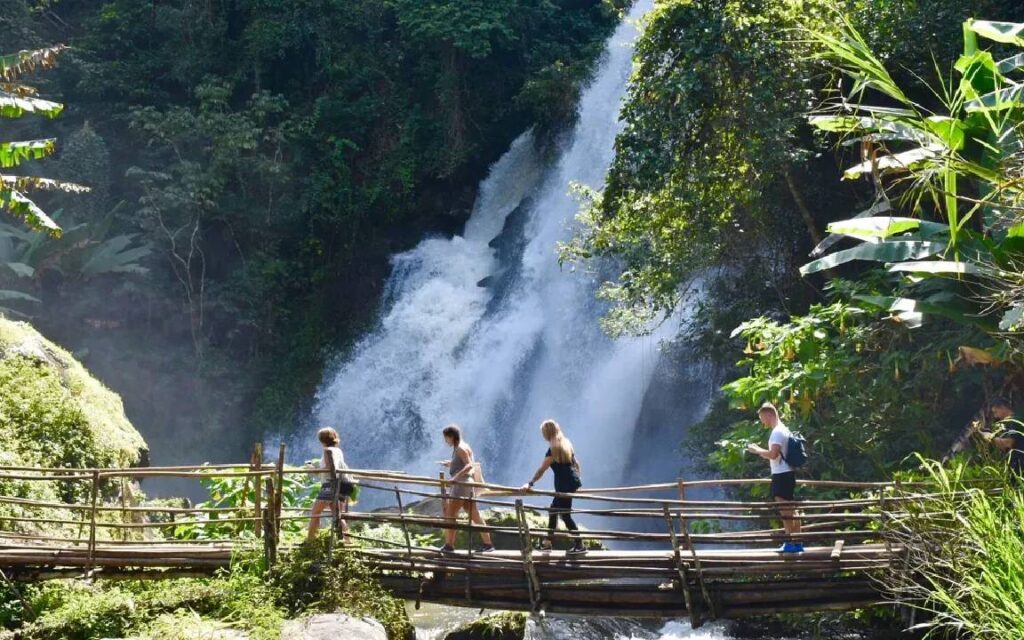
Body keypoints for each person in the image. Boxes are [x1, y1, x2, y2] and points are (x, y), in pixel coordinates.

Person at [520, 419, 586, 555]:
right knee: (553, 510)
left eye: (543, 432)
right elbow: (576, 463)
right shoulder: (566, 444)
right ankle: (547, 543)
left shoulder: (553, 449)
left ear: (547, 433)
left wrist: (530, 483)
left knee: (565, 516)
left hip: (563, 485)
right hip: (570, 483)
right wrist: (578, 480)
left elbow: (541, 470)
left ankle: (579, 545)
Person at [746, 402, 803, 553]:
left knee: (785, 510)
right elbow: (775, 456)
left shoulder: (777, 432)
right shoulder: (784, 429)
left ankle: (789, 542)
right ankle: (797, 542)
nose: (762, 422)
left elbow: (773, 454)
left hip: (781, 474)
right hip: (787, 473)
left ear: (768, 414)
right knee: (791, 509)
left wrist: (757, 450)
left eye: (761, 418)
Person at [438, 424, 495, 553]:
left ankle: (449, 545)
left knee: (451, 515)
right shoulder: (464, 446)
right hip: (468, 485)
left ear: (451, 436)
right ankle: (488, 544)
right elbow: (464, 463)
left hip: (461, 485)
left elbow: (469, 465)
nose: (446, 441)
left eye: (446, 438)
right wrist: (451, 463)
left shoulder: (460, 448)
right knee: (475, 515)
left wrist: (455, 478)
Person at [307, 426, 355, 543]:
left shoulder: (327, 451)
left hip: (330, 486)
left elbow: (330, 468)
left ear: (321, 440)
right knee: (337, 514)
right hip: (341, 485)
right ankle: (348, 541)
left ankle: (310, 540)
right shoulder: (338, 450)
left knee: (315, 512)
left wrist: (314, 470)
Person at [980, 397, 1024, 481]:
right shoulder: (1008, 424)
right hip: (1015, 467)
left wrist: (991, 437)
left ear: (1002, 408)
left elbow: (1008, 443)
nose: (995, 416)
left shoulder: (1014, 422)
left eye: (996, 412)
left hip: (1020, 466)